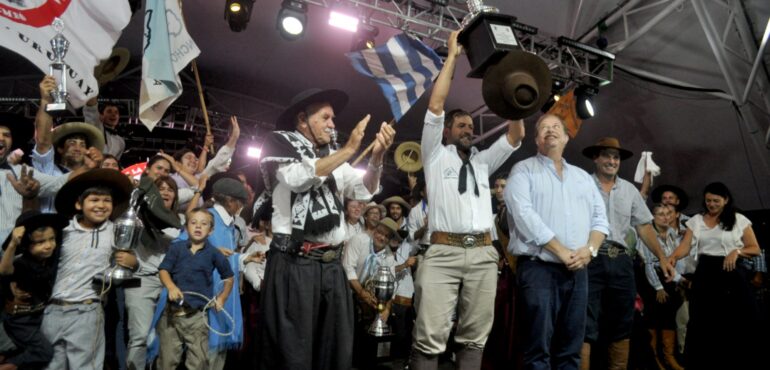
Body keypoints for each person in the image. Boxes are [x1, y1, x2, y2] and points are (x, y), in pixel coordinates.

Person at [257, 87, 394, 370]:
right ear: (302, 120)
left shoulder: (332, 155)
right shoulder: (280, 142)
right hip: (296, 262)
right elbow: (297, 179)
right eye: (326, 117)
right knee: (294, 352)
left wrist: (377, 158)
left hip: (331, 267)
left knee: (333, 349)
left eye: (333, 119)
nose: (333, 124)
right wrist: (347, 151)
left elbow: (362, 191)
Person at [410, 30, 524, 370]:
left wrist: (510, 88)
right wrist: (453, 56)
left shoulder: (481, 162)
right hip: (442, 253)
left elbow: (516, 135)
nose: (467, 129)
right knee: (430, 335)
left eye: (470, 125)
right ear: (446, 131)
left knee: (475, 336)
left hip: (483, 254)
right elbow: (435, 105)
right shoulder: (434, 156)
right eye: (460, 125)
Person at [504, 114, 608, 370]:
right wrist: (561, 251)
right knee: (537, 350)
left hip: (578, 271)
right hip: (539, 269)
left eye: (556, 127)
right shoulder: (523, 170)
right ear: (537, 139)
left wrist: (590, 250)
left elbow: (600, 220)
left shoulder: (583, 177)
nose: (550, 131)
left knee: (571, 349)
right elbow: (525, 216)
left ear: (566, 137)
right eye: (543, 128)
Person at [580, 137, 674, 370]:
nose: (612, 161)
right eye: (606, 155)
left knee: (623, 322)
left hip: (621, 261)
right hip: (590, 259)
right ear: (596, 158)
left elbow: (643, 227)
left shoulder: (630, 191)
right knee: (584, 321)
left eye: (616, 157)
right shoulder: (581, 185)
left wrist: (662, 257)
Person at [41, 169, 135, 370]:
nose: (101, 205)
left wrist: (132, 262)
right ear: (79, 204)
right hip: (52, 310)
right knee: (50, 366)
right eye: (94, 200)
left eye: (106, 201)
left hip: (87, 310)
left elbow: (132, 266)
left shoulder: (115, 232)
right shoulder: (61, 231)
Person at [668, 182, 762, 370]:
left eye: (716, 201)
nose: (711, 204)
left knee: (735, 322)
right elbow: (685, 247)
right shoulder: (696, 220)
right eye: (708, 201)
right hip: (705, 273)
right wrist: (672, 257)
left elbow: (755, 248)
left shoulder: (738, 219)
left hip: (730, 272)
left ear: (725, 200)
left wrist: (737, 252)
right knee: (704, 323)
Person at [157, 207, 234, 370]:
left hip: (198, 317)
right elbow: (163, 270)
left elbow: (228, 277)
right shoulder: (176, 248)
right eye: (193, 222)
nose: (198, 226)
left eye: (204, 224)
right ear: (186, 227)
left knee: (199, 361)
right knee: (167, 360)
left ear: (211, 230)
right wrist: (171, 287)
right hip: (172, 315)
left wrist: (222, 297)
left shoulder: (214, 253)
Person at [123, 175, 182, 370]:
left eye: (170, 189)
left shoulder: (179, 221)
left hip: (169, 284)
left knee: (164, 338)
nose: (165, 192)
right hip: (140, 280)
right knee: (140, 336)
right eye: (160, 188)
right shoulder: (137, 215)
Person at [0, 211, 67, 370]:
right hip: (20, 320)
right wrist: (13, 244)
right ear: (26, 245)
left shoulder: (50, 260)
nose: (48, 245)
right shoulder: (22, 263)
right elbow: (4, 270)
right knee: (43, 352)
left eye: (51, 239)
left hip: (38, 317)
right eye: (40, 242)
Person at [637, 204, 685, 370]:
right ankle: (654, 359)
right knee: (653, 318)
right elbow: (649, 264)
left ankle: (669, 357)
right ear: (653, 217)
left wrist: (678, 280)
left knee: (668, 318)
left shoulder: (672, 233)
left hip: (668, 277)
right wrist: (658, 287)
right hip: (652, 281)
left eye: (668, 214)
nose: (665, 217)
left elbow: (674, 260)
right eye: (661, 214)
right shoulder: (649, 235)